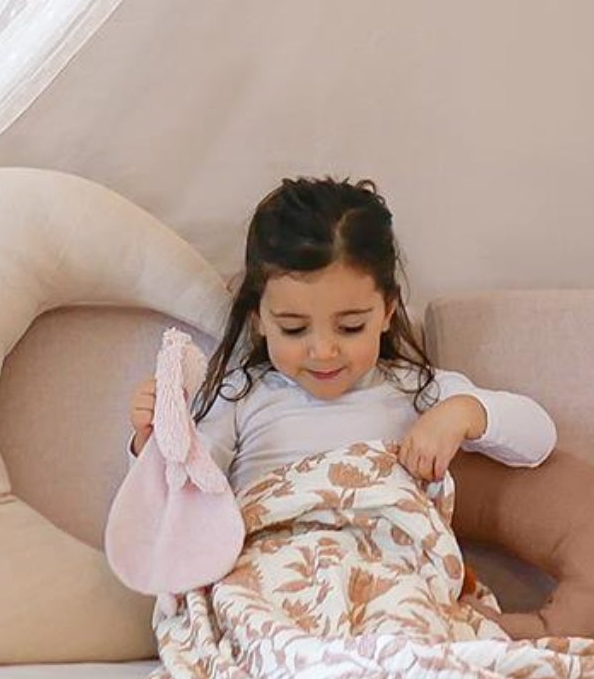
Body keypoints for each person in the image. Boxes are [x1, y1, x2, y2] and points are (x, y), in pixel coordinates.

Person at [128, 175, 555, 495]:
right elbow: (183, 497)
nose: (324, 350)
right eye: (293, 328)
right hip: (276, 577)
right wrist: (154, 439)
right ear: (258, 318)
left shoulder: (413, 387)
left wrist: (465, 413)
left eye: (350, 327)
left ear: (387, 311)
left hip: (387, 573)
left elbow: (538, 438)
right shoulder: (240, 396)